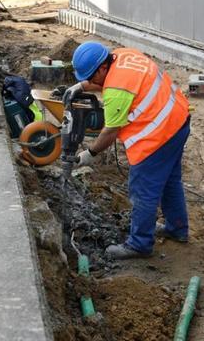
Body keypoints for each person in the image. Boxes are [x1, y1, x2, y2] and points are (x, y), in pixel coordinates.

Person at [68, 42, 191, 260]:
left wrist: (90, 154)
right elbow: (114, 82)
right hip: (178, 118)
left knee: (143, 190)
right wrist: (83, 86)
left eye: (90, 76)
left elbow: (110, 132)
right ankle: (176, 228)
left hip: (157, 136)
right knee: (171, 180)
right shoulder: (124, 55)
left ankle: (139, 244)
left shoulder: (116, 91)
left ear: (102, 69)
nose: (91, 80)